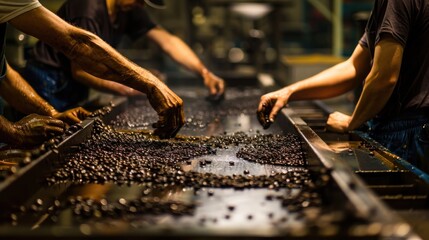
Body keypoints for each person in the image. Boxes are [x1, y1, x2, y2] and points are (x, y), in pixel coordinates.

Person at [257, 0, 429, 172]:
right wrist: (289, 92)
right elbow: (354, 67)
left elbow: (383, 77)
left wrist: (352, 122)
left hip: (409, 136)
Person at [1, 0, 184, 140]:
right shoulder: (88, 8)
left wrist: (52, 114)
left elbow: (4, 76)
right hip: (47, 79)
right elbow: (78, 44)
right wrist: (15, 132)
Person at [21, 0, 225, 112]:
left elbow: (167, 40)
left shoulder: (128, 8)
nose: (141, 5)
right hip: (47, 80)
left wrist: (204, 72)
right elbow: (81, 71)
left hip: (73, 85)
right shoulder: (88, 7)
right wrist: (134, 86)